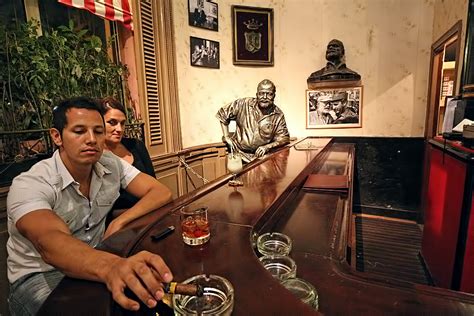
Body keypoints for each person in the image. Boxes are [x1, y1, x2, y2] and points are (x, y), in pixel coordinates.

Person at [6, 97, 173, 315]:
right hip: (40, 276)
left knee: (156, 303)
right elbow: (50, 242)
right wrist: (111, 266)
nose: (92, 139)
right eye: (79, 131)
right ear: (57, 136)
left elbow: (161, 191)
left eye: (98, 131)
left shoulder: (110, 162)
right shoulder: (31, 183)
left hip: (98, 260)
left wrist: (120, 221)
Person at [99, 97, 156, 210]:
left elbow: (154, 182)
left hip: (149, 212)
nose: (119, 129)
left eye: (122, 123)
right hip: (114, 221)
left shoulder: (136, 145)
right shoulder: (94, 155)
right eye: (112, 122)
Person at [216, 79, 290, 162]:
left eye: (269, 94)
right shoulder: (243, 104)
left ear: (274, 96)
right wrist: (226, 136)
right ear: (257, 94)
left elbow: (284, 138)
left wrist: (266, 147)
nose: (264, 97)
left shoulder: (278, 115)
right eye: (261, 93)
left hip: (262, 159)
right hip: (239, 155)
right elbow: (222, 114)